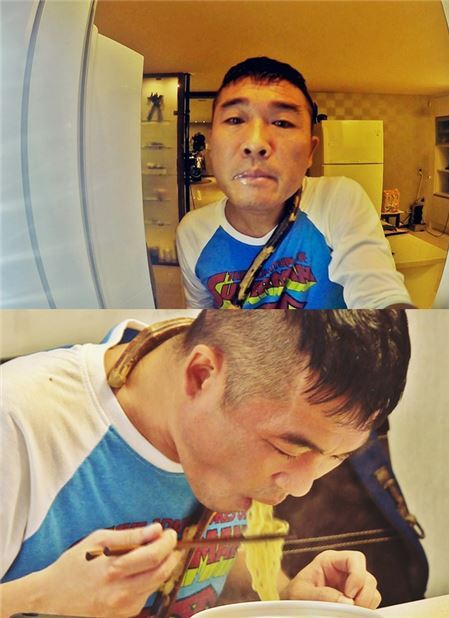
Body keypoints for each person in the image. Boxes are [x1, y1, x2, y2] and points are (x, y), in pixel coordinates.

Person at [0, 310, 411, 617]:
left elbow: (217, 570)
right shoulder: (18, 421)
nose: (302, 486)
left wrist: (289, 600)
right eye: (287, 448)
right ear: (201, 375)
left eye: (336, 456)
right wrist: (42, 595)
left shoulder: (228, 444)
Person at [176, 57, 413, 310]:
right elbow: (202, 318)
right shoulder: (193, 232)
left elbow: (381, 297)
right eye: (235, 120)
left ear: (310, 152)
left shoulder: (339, 200)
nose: (255, 144)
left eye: (282, 123)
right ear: (212, 145)